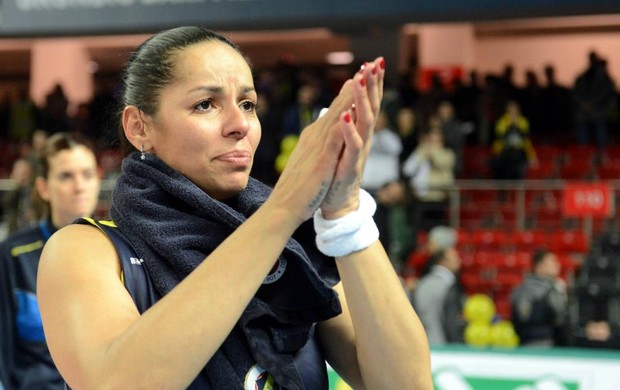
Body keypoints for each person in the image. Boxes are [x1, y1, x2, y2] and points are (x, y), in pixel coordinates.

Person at [36, 27, 432, 389]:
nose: (239, 124)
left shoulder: (290, 252)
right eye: (206, 104)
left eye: (247, 103)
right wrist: (281, 210)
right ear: (139, 127)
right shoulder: (84, 251)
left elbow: (406, 385)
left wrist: (345, 213)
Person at [0, 132, 101, 389]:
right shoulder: (12, 256)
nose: (79, 186)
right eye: (66, 176)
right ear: (43, 187)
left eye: (87, 175)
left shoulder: (119, 249)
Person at [510, 249, 568, 347]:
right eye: (553, 261)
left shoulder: (557, 287)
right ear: (539, 266)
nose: (557, 265)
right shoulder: (525, 290)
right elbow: (523, 317)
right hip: (539, 342)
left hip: (553, 342)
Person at [412, 247, 465, 345]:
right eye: (455, 257)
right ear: (444, 261)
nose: (459, 261)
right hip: (444, 346)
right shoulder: (449, 286)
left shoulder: (422, 284)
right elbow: (452, 321)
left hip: (422, 343)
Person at [490, 100, 538, 181]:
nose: (512, 112)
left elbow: (526, 140)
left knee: (520, 170)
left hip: (519, 153)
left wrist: (532, 156)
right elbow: (499, 137)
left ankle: (518, 190)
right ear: (507, 111)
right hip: (505, 152)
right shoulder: (502, 121)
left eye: (514, 110)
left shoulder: (523, 121)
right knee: (500, 169)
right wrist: (509, 124)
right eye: (510, 110)